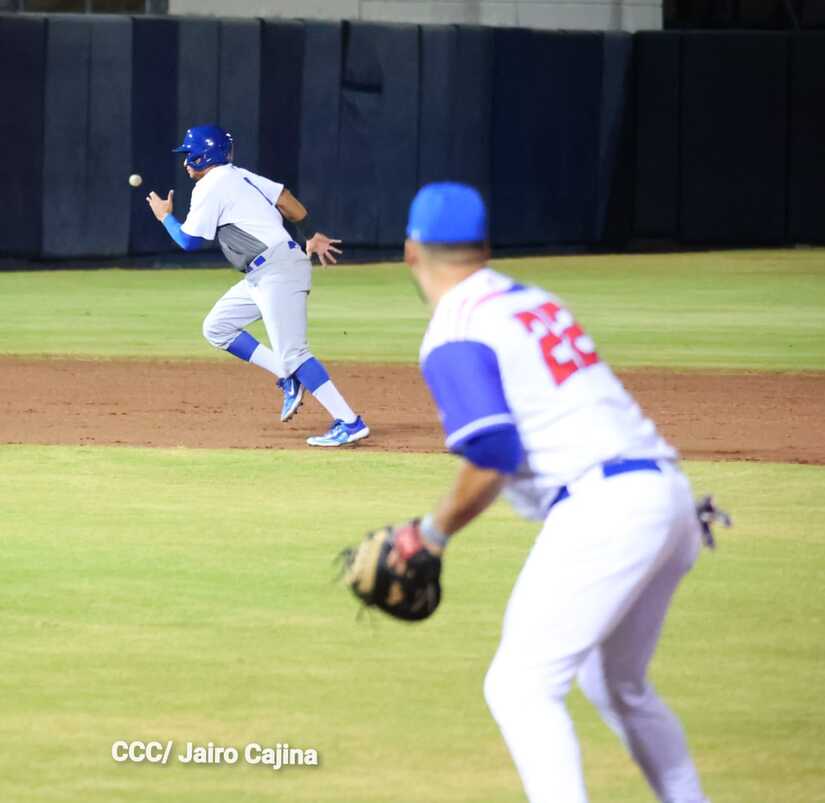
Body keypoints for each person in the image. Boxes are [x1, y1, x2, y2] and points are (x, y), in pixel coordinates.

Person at [400, 182, 712, 802]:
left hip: (606, 511)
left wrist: (431, 534)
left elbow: (493, 455)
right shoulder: (531, 300)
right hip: (669, 497)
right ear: (485, 247)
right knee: (616, 684)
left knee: (519, 687)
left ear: (411, 252)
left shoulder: (455, 328)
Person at [145, 123, 369, 447]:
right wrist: (309, 233)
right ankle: (287, 374)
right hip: (265, 272)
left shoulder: (210, 185)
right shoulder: (240, 176)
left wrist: (165, 217)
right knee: (217, 328)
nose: (185, 162)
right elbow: (286, 200)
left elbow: (189, 241)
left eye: (189, 155)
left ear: (204, 156)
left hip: (276, 271)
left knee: (295, 353)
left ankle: (349, 422)